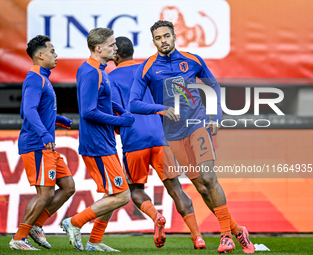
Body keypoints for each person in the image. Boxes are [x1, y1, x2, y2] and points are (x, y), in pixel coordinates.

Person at [129, 20, 255, 254]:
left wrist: (215, 116)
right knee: (202, 188)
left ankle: (226, 235)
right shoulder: (147, 68)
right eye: (158, 38)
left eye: (167, 36)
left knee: (209, 178)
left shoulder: (193, 60)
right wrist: (160, 109)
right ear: (153, 41)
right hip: (173, 136)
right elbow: (133, 103)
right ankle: (239, 230)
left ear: (175, 36)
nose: (163, 41)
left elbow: (214, 86)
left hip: (197, 126)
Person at [108, 36, 206, 249]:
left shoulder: (110, 77)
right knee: (176, 188)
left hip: (134, 139)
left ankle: (156, 217)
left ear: (115, 55)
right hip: (159, 137)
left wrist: (116, 128)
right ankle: (197, 236)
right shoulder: (148, 69)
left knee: (135, 188)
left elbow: (113, 108)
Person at [60, 28, 135, 252]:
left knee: (112, 193)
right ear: (98, 48)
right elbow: (88, 111)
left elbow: (104, 101)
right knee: (122, 195)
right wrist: (120, 121)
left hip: (104, 141)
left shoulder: (99, 70)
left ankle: (95, 241)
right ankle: (74, 222)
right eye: (112, 45)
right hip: (97, 144)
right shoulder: (91, 72)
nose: (116, 48)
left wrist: (122, 111)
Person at [9, 35, 76, 250]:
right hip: (37, 144)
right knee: (45, 193)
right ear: (40, 55)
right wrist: (45, 134)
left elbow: (27, 109)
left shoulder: (42, 78)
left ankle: (36, 225)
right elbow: (27, 111)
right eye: (52, 51)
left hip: (46, 145)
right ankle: (19, 238)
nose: (56, 55)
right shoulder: (35, 77)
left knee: (68, 187)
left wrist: (57, 118)